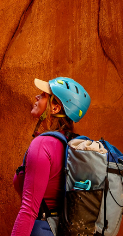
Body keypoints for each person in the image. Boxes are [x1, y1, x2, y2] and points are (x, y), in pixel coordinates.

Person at [11, 77, 90, 236]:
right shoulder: (72, 144)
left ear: (55, 108)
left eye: (43, 95)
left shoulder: (42, 145)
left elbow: (29, 210)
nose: (37, 97)